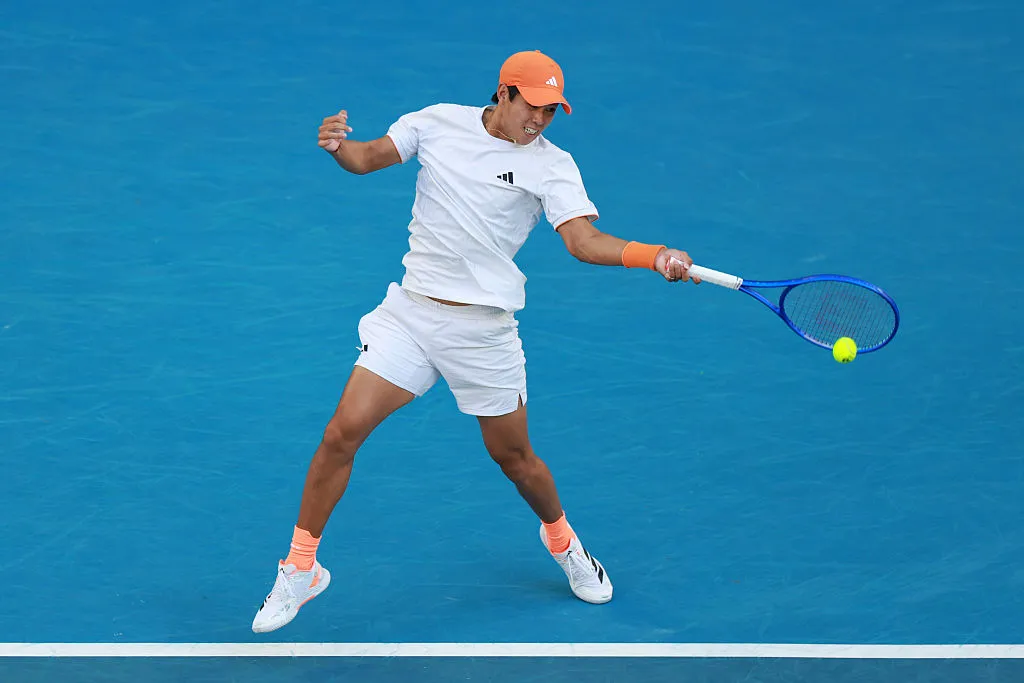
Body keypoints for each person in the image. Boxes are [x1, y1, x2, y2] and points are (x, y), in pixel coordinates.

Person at [251, 49, 699, 633]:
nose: (540, 121)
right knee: (341, 433)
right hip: (411, 315)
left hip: (482, 331)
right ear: (503, 94)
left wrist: (653, 256)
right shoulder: (437, 123)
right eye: (532, 107)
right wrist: (339, 147)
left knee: (515, 460)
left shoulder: (553, 165)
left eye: (551, 112)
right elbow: (367, 159)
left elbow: (583, 242)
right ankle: (301, 567)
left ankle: (564, 543)